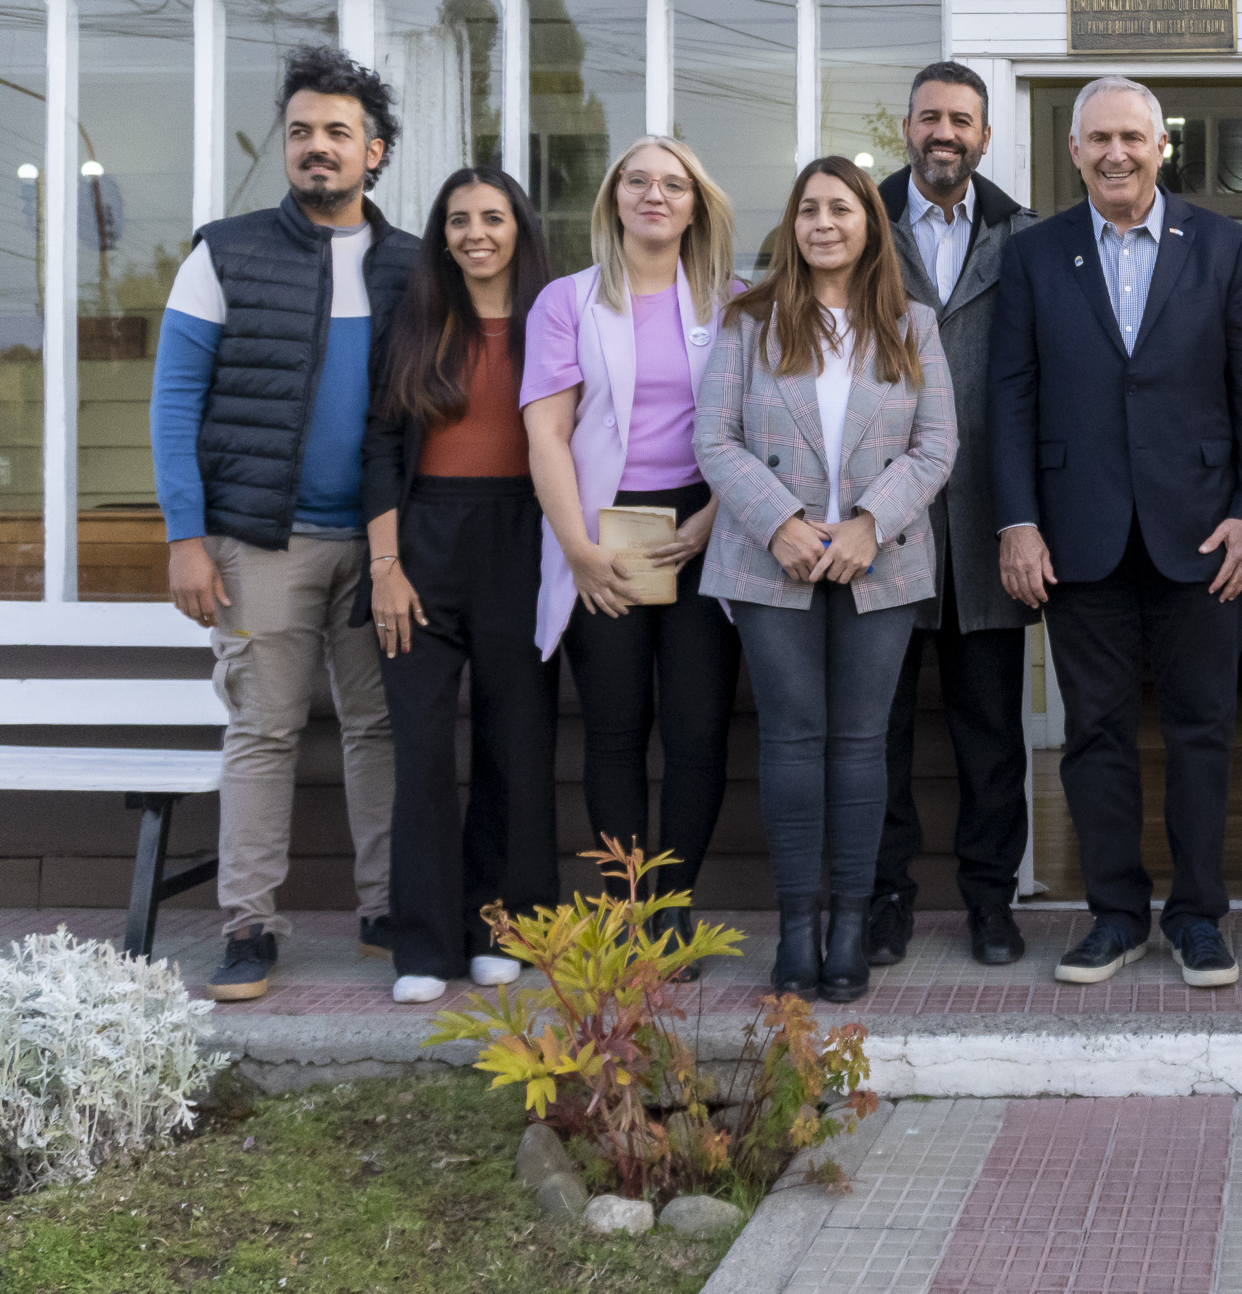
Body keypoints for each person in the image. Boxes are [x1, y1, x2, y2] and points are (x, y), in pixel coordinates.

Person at [992, 73, 1242, 990]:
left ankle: (1198, 918)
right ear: (1073, 151)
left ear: (1163, 147)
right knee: (1095, 733)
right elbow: (1010, 397)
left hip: (1201, 532)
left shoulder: (1228, 248)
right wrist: (1019, 520)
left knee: (1203, 730)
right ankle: (1113, 917)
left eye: (1132, 137)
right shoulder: (1035, 256)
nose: (1116, 152)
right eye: (1098, 138)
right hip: (1076, 536)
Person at [151, 45, 418, 1003]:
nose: (317, 148)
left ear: (374, 152)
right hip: (262, 540)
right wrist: (187, 536)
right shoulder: (225, 251)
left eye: (338, 134)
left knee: (378, 729)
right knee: (261, 732)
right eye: (301, 131)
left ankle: (387, 910)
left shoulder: (412, 268)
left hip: (383, 548)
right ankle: (251, 924)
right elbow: (175, 399)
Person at [699, 158, 955, 1002]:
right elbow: (717, 437)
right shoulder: (748, 320)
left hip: (880, 558)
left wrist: (869, 523)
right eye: (807, 209)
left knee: (859, 745)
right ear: (793, 227)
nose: (823, 223)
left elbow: (936, 447)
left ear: (868, 225)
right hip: (771, 557)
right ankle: (797, 930)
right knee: (791, 743)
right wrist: (779, 521)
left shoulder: (912, 325)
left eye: (840, 208)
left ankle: (850, 926)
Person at [522, 136, 741, 923]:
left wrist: (717, 518)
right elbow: (546, 435)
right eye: (637, 181)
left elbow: (755, 432)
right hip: (599, 528)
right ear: (613, 197)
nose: (655, 194)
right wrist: (579, 550)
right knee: (615, 732)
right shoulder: (565, 302)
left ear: (696, 205)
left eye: (674, 184)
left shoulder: (734, 301)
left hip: (704, 529)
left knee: (696, 730)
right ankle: (625, 907)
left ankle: (674, 908)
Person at [363, 167, 558, 1004]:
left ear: (519, 227)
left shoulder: (553, 321)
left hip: (523, 538)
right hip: (423, 547)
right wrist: (385, 567)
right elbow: (375, 448)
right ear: (441, 236)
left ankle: (503, 926)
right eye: (457, 220)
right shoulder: (414, 322)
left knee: (514, 745)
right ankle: (426, 943)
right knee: (422, 751)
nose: (475, 233)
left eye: (492, 217)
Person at [871, 63, 1039, 970]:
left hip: (984, 520)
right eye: (930, 116)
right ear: (906, 127)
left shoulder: (1024, 235)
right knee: (882, 728)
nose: (946, 132)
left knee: (990, 733)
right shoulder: (860, 224)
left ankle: (990, 902)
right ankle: (885, 897)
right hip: (879, 517)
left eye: (962, 120)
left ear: (984, 137)